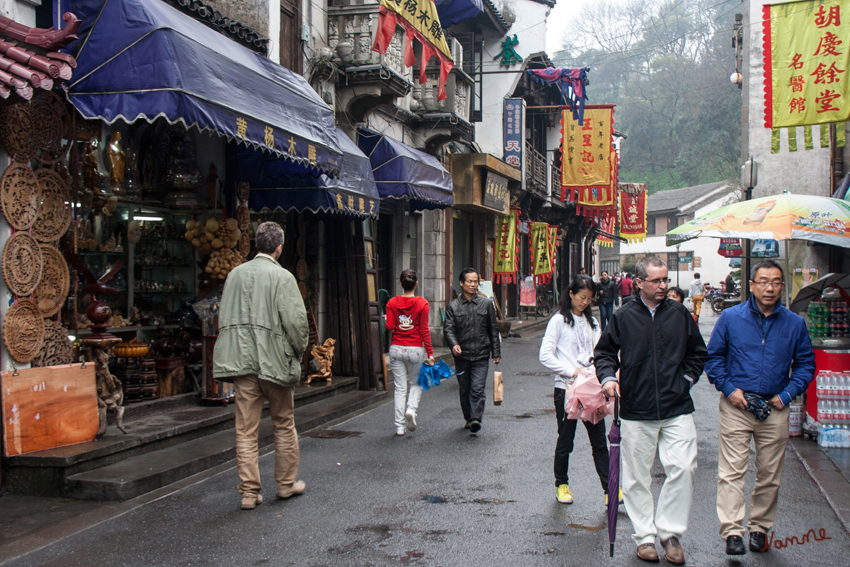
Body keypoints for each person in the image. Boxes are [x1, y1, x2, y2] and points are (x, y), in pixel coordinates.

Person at [595, 256, 707, 564]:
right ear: (639, 282)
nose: (662, 286)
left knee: (683, 468)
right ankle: (645, 536)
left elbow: (698, 353)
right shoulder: (623, 316)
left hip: (676, 406)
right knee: (635, 478)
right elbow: (604, 352)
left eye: (665, 280)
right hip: (635, 407)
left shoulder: (680, 314)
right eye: (656, 281)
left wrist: (685, 380)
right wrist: (607, 378)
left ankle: (670, 533)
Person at [705, 260, 815, 556]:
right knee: (732, 471)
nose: (770, 287)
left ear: (782, 286)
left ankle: (759, 528)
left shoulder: (794, 323)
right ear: (751, 285)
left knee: (770, 473)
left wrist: (788, 394)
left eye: (776, 282)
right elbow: (713, 358)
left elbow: (806, 364)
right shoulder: (730, 318)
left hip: (775, 406)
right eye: (763, 281)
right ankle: (732, 531)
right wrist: (730, 390)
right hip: (737, 404)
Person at [213, 222, 309, 510]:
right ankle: (285, 483)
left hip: (242, 361)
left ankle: (249, 493)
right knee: (283, 423)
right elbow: (295, 323)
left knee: (245, 430)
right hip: (275, 361)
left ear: (256, 244)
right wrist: (299, 350)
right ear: (279, 247)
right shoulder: (283, 277)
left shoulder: (234, 275)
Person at [539, 275, 620, 506]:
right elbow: (545, 355)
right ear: (571, 294)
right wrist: (571, 371)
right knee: (566, 439)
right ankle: (561, 484)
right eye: (582, 297)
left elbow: (601, 351)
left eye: (590, 298)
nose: (585, 302)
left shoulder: (592, 322)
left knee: (599, 442)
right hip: (566, 389)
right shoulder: (558, 321)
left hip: (591, 391)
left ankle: (610, 488)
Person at [444, 268, 501, 434]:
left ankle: (476, 418)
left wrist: (495, 353)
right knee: (464, 389)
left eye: (475, 281)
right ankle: (468, 417)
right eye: (469, 281)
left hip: (481, 355)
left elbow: (493, 329)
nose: (473, 284)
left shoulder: (486, 304)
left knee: (477, 388)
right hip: (462, 356)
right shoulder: (453, 307)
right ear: (461, 283)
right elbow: (448, 329)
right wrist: (454, 344)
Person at [386, 269, 435, 436]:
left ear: (401, 284)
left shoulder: (392, 302)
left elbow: (390, 326)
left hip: (396, 348)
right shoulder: (422, 303)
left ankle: (399, 427)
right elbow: (424, 330)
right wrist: (430, 352)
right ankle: (411, 410)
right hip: (414, 349)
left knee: (400, 388)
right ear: (416, 284)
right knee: (417, 383)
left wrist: (387, 318)